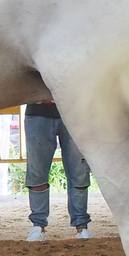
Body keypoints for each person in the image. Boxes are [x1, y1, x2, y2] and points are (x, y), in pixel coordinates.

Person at [23, 101, 91, 241]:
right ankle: (38, 225)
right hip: (42, 110)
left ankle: (81, 225)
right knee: (37, 171)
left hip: (73, 111)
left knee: (79, 172)